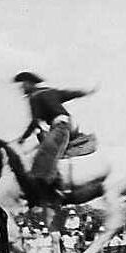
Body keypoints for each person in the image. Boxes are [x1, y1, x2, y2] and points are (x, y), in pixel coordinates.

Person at [13, 71, 97, 201]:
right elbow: (71, 94)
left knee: (45, 152)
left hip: (60, 127)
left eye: (23, 84)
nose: (22, 88)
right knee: (45, 150)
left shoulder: (34, 97)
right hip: (66, 125)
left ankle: (53, 187)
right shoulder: (50, 91)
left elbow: (35, 121)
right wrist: (86, 92)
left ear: (30, 84)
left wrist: (23, 138)